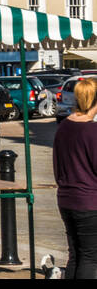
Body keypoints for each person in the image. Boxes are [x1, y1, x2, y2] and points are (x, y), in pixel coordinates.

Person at [54, 77, 97, 278]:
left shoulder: (63, 127)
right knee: (90, 257)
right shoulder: (92, 131)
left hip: (66, 198)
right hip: (89, 201)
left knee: (75, 255)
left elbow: (57, 166)